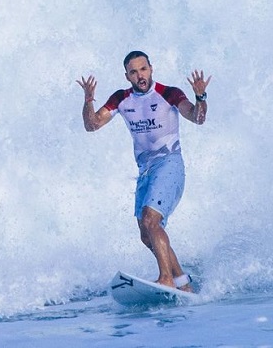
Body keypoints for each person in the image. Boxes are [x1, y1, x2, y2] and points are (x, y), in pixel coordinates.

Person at [77, 50, 211, 291]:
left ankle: (165, 278)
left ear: (151, 69)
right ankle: (182, 282)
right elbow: (92, 125)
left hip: (169, 164)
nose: (140, 75)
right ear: (127, 76)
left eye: (143, 69)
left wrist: (200, 96)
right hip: (145, 171)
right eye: (134, 72)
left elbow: (197, 117)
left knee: (151, 221)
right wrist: (88, 100)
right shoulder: (121, 99)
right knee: (146, 234)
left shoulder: (169, 94)